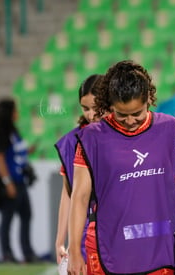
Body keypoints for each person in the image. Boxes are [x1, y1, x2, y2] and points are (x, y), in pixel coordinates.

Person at [67, 60, 175, 275]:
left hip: (160, 250)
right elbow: (80, 196)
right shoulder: (91, 138)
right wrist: (74, 250)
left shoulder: (172, 129)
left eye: (137, 113)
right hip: (108, 249)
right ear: (110, 105)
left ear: (149, 99)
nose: (130, 120)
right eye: (122, 114)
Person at [54, 74, 103, 265]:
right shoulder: (71, 142)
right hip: (84, 236)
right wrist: (60, 240)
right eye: (86, 109)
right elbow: (69, 193)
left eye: (96, 108)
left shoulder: (125, 136)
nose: (91, 115)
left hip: (117, 233)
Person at [0, 98, 38, 263]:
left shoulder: (12, 130)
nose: (17, 113)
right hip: (11, 183)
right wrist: (7, 182)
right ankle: (7, 253)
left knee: (26, 216)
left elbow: (14, 153)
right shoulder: (1, 131)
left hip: (20, 182)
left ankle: (27, 253)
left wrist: (28, 151)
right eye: (15, 110)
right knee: (7, 218)